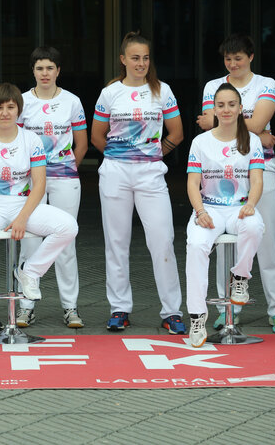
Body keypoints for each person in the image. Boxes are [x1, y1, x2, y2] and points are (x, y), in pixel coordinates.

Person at [0, 83, 78, 349]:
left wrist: (22, 218)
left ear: (18, 110)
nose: (4, 113)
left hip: (24, 202)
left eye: (10, 107)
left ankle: (30, 271)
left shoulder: (31, 139)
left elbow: (39, 184)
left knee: (68, 226)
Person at [91, 31, 186, 334]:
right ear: (123, 60)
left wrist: (156, 153)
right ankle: (119, 308)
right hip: (115, 172)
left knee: (162, 240)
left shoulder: (162, 91)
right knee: (117, 243)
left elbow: (177, 133)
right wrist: (120, 156)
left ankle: (171, 311)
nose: (141, 63)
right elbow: (96, 135)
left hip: (150, 173)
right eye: (135, 58)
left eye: (145, 58)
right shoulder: (110, 93)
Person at [197, 33, 275, 334]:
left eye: (238, 57)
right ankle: (229, 309)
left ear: (251, 57)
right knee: (225, 244)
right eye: (228, 58)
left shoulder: (266, 84)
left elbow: (235, 122)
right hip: (220, 173)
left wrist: (248, 129)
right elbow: (228, 126)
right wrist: (256, 135)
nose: (233, 63)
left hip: (259, 170)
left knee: (267, 240)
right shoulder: (213, 86)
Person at [185, 84, 265, 347]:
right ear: (213, 109)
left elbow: (257, 180)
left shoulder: (252, 141)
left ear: (241, 108)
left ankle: (240, 278)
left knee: (254, 227)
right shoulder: (200, 141)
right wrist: (200, 211)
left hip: (239, 208)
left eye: (232, 104)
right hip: (210, 209)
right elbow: (192, 182)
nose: (227, 109)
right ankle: (197, 317)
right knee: (196, 245)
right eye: (221, 105)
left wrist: (251, 203)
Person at [15, 46, 87, 329]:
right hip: (30, 182)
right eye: (39, 68)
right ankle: (25, 307)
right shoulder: (21, 101)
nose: (45, 73)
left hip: (65, 179)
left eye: (50, 68)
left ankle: (70, 307)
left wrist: (66, 167)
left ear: (58, 70)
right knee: (29, 242)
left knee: (65, 243)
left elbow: (81, 143)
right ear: (32, 71)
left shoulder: (72, 101)